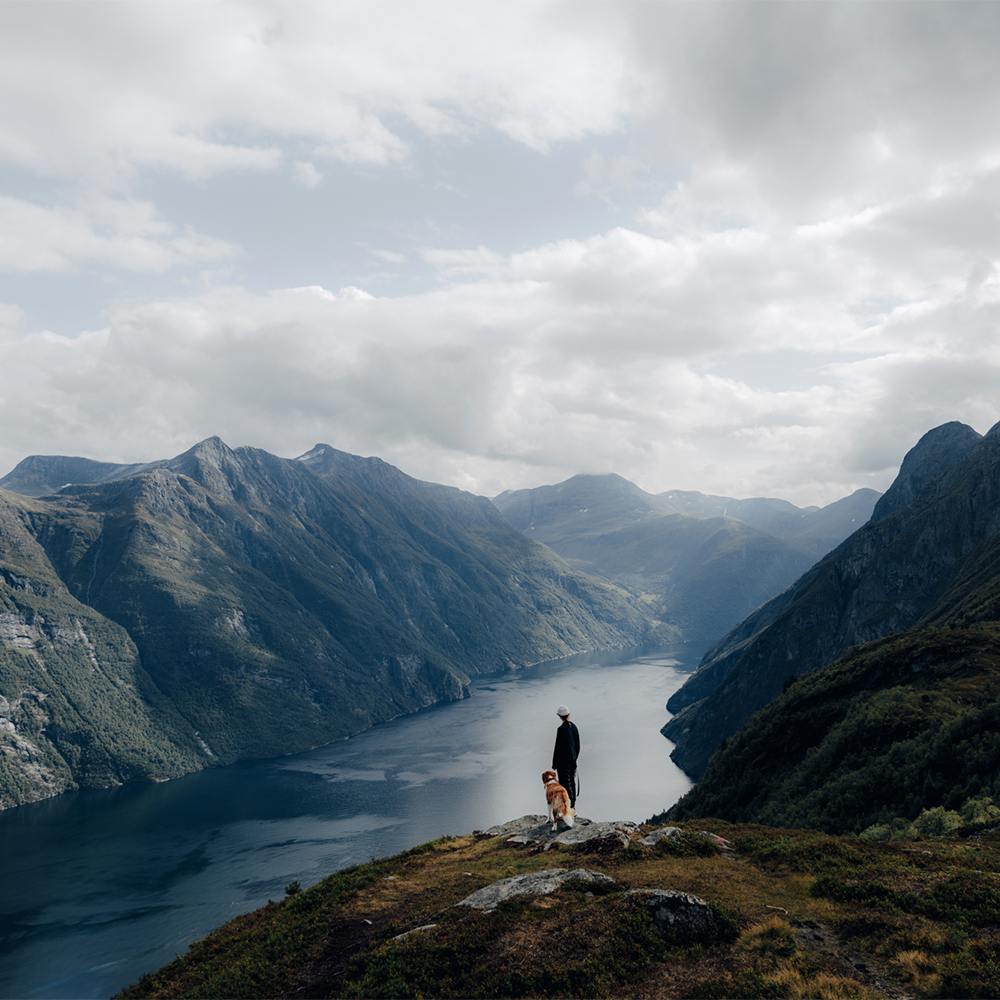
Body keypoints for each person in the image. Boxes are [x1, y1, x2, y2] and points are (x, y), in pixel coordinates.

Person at [551, 704, 580, 807]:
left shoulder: (561, 729)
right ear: (568, 714)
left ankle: (568, 806)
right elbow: (577, 745)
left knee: (565, 784)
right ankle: (573, 805)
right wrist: (574, 758)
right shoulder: (574, 727)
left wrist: (555, 764)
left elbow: (558, 748)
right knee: (572, 782)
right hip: (572, 762)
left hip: (563, 763)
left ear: (559, 716)